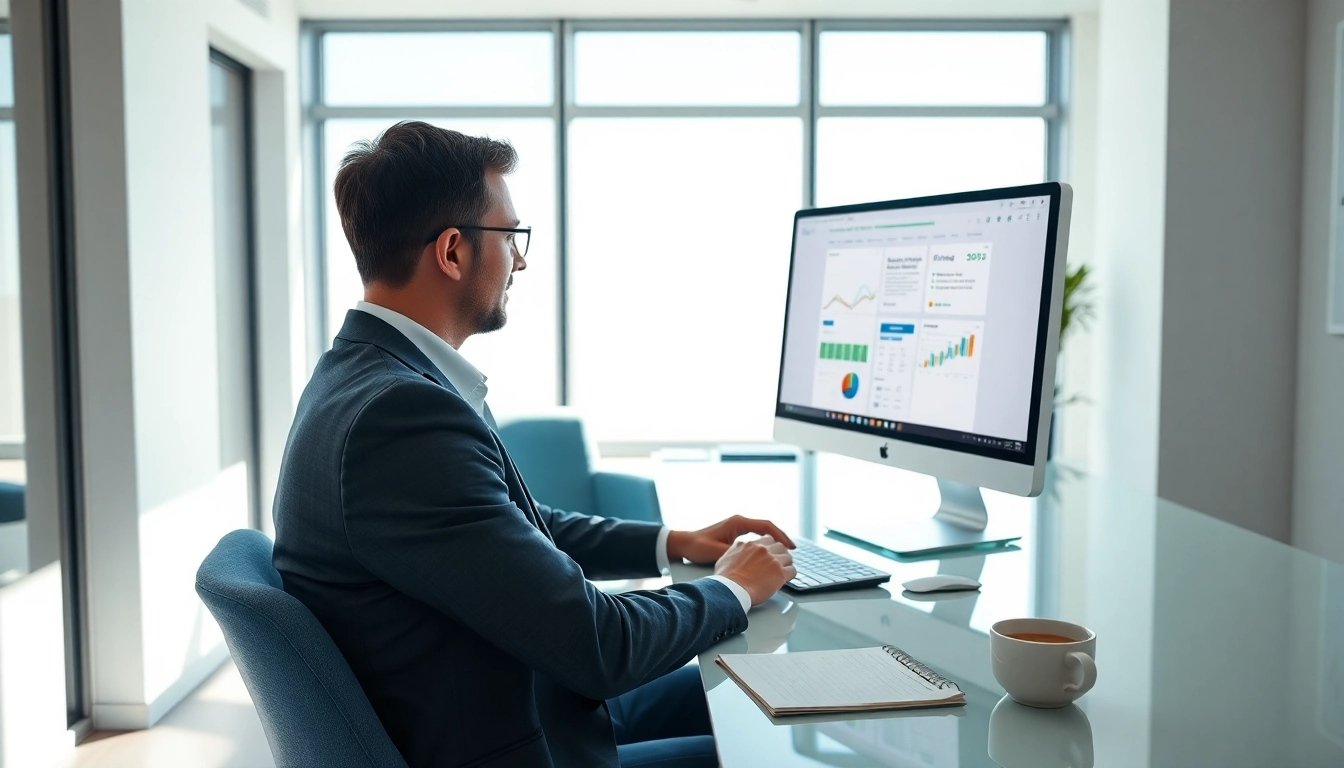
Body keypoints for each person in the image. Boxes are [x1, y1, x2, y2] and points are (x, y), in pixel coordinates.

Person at [271, 120, 797, 768]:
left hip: (521, 706)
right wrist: (735, 588)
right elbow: (601, 647)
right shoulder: (401, 418)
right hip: (518, 742)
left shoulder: (367, 376)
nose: (519, 259)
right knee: (777, 745)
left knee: (756, 696)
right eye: (511, 237)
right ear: (453, 252)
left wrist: (672, 543)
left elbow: (515, 528)